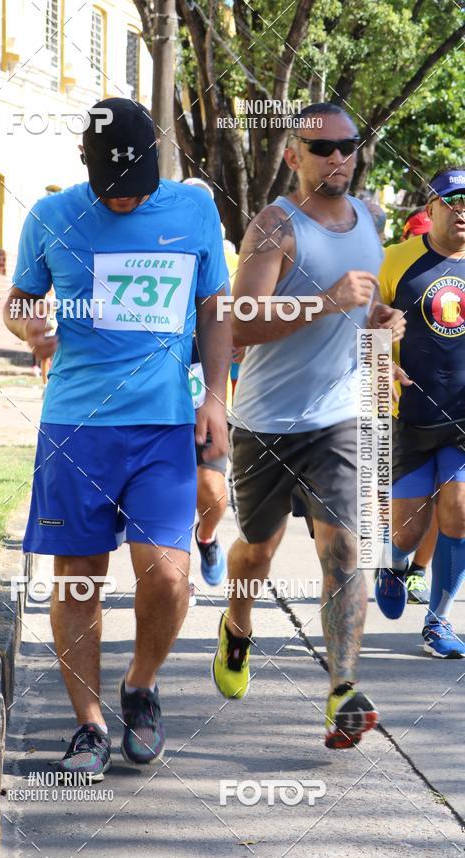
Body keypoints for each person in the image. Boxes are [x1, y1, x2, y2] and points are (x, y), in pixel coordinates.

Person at [4, 98, 231, 779]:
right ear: (86, 168)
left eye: (138, 190)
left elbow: (214, 306)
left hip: (162, 424)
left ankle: (141, 683)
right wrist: (27, 327)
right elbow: (18, 300)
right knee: (77, 582)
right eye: (114, 193)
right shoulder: (50, 216)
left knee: (167, 574)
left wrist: (217, 395)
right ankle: (89, 726)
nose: (127, 202)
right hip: (76, 427)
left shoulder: (192, 211)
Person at [213, 102, 404, 750]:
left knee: (344, 549)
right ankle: (238, 624)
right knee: (256, 552)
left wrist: (377, 321)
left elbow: (362, 301)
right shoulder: (274, 226)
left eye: (348, 145)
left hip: (336, 417)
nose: (339, 158)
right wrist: (328, 305)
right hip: (265, 423)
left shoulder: (370, 219)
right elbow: (239, 324)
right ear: (293, 155)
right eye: (322, 148)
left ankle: (343, 691)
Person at [375, 168, 465, 658]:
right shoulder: (393, 261)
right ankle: (392, 563)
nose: (462, 210)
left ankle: (438, 622)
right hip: (407, 416)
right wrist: (381, 359)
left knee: (459, 514)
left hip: (463, 417)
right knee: (408, 529)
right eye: (452, 200)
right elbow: (361, 328)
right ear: (429, 207)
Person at [183, 177, 237, 587]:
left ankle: (207, 536)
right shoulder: (154, 247)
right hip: (153, 390)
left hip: (208, 390)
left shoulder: (229, 262)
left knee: (212, 488)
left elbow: (242, 322)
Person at [400, 205, 435, 604]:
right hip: (392, 408)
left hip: (446, 410)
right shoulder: (393, 271)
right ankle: (390, 561)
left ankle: (419, 571)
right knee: (398, 505)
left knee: (449, 501)